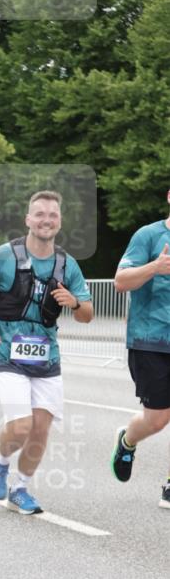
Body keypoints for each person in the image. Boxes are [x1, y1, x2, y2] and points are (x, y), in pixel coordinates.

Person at [0, 190, 93, 515]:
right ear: (28, 219)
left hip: (46, 356)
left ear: (59, 221)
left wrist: (75, 303)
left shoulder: (67, 265)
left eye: (52, 215)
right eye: (40, 214)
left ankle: (20, 488)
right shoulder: (3, 256)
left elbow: (87, 313)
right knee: (21, 425)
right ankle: (0, 461)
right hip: (7, 352)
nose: (46, 220)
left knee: (40, 429)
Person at [111, 188, 170, 508]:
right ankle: (128, 439)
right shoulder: (149, 236)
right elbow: (120, 281)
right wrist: (154, 268)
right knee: (158, 419)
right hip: (152, 341)